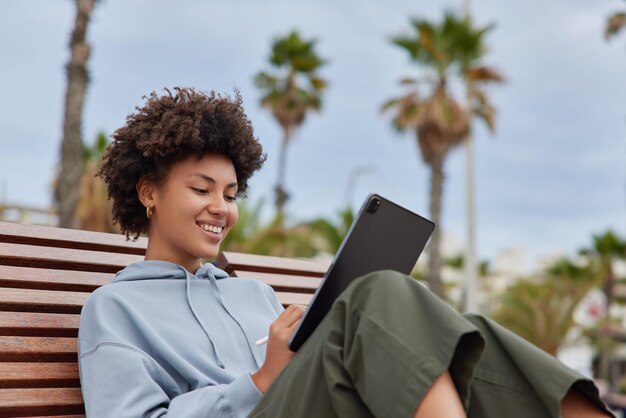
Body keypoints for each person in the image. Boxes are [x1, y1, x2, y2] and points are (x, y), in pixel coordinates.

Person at [78, 87, 614, 418]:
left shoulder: (251, 293)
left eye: (232, 194)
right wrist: (259, 382)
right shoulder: (116, 310)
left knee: (469, 333)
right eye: (202, 189)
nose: (221, 207)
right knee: (376, 294)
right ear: (148, 191)